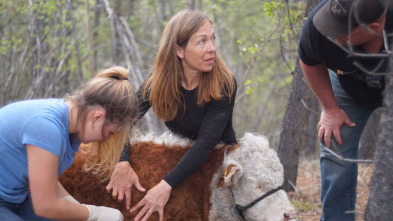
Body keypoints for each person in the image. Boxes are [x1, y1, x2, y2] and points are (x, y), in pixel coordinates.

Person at [105, 10, 237, 221]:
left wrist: (164, 187)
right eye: (202, 42)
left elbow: (206, 144)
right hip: (181, 161)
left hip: (222, 163)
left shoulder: (223, 83)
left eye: (213, 39)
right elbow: (124, 120)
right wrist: (122, 161)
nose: (212, 48)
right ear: (179, 50)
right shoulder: (157, 83)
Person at [0, 66, 139, 221]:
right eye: (110, 133)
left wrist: (73, 204)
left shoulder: (67, 123)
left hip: (16, 197)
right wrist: (94, 213)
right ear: (98, 117)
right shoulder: (46, 127)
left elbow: (45, 178)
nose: (105, 139)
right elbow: (46, 206)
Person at [298, 0, 392, 220]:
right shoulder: (319, 23)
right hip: (348, 88)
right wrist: (330, 109)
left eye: (342, 32)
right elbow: (309, 60)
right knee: (334, 144)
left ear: (373, 28)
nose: (331, 33)